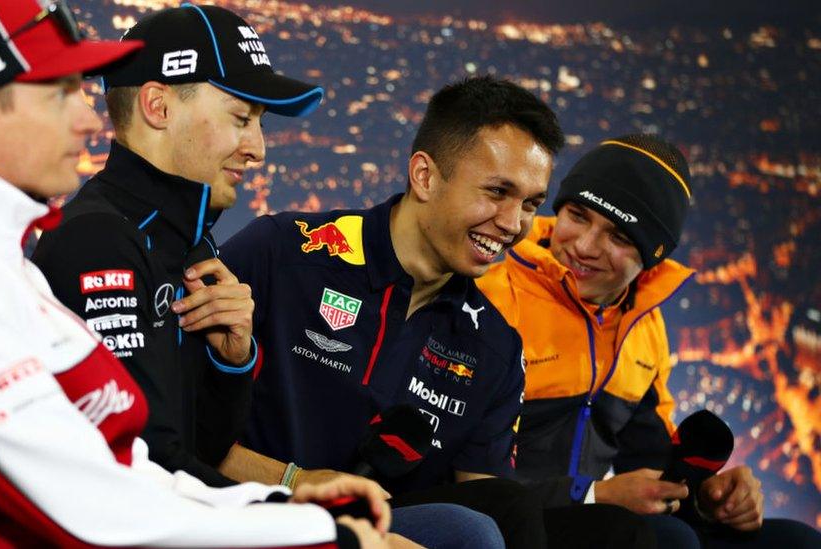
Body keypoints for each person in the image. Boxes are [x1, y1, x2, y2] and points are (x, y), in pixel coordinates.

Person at [0, 1, 391, 547]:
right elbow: (82, 505)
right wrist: (322, 535)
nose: (88, 118)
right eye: (60, 94)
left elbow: (120, 463)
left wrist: (277, 502)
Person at [31, 5, 502, 548]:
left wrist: (232, 361)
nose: (258, 148)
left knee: (466, 532)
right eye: (241, 119)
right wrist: (310, 521)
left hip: (187, 510)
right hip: (137, 525)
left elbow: (204, 448)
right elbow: (143, 465)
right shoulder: (101, 243)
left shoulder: (190, 244)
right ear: (158, 106)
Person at [218, 76, 656, 549]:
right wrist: (297, 480)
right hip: (249, 511)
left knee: (619, 533)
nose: (513, 225)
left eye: (530, 203)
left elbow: (495, 502)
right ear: (425, 177)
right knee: (474, 531)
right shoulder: (283, 253)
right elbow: (177, 435)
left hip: (387, 529)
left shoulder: (495, 344)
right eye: (496, 192)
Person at [476, 134, 821, 548]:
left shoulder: (643, 325)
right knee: (668, 541)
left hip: (593, 519)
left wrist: (706, 498)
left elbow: (650, 461)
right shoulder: (489, 300)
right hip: (509, 521)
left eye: (620, 237)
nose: (584, 246)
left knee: (794, 542)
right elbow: (467, 479)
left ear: (652, 256)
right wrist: (591, 495)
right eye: (578, 215)